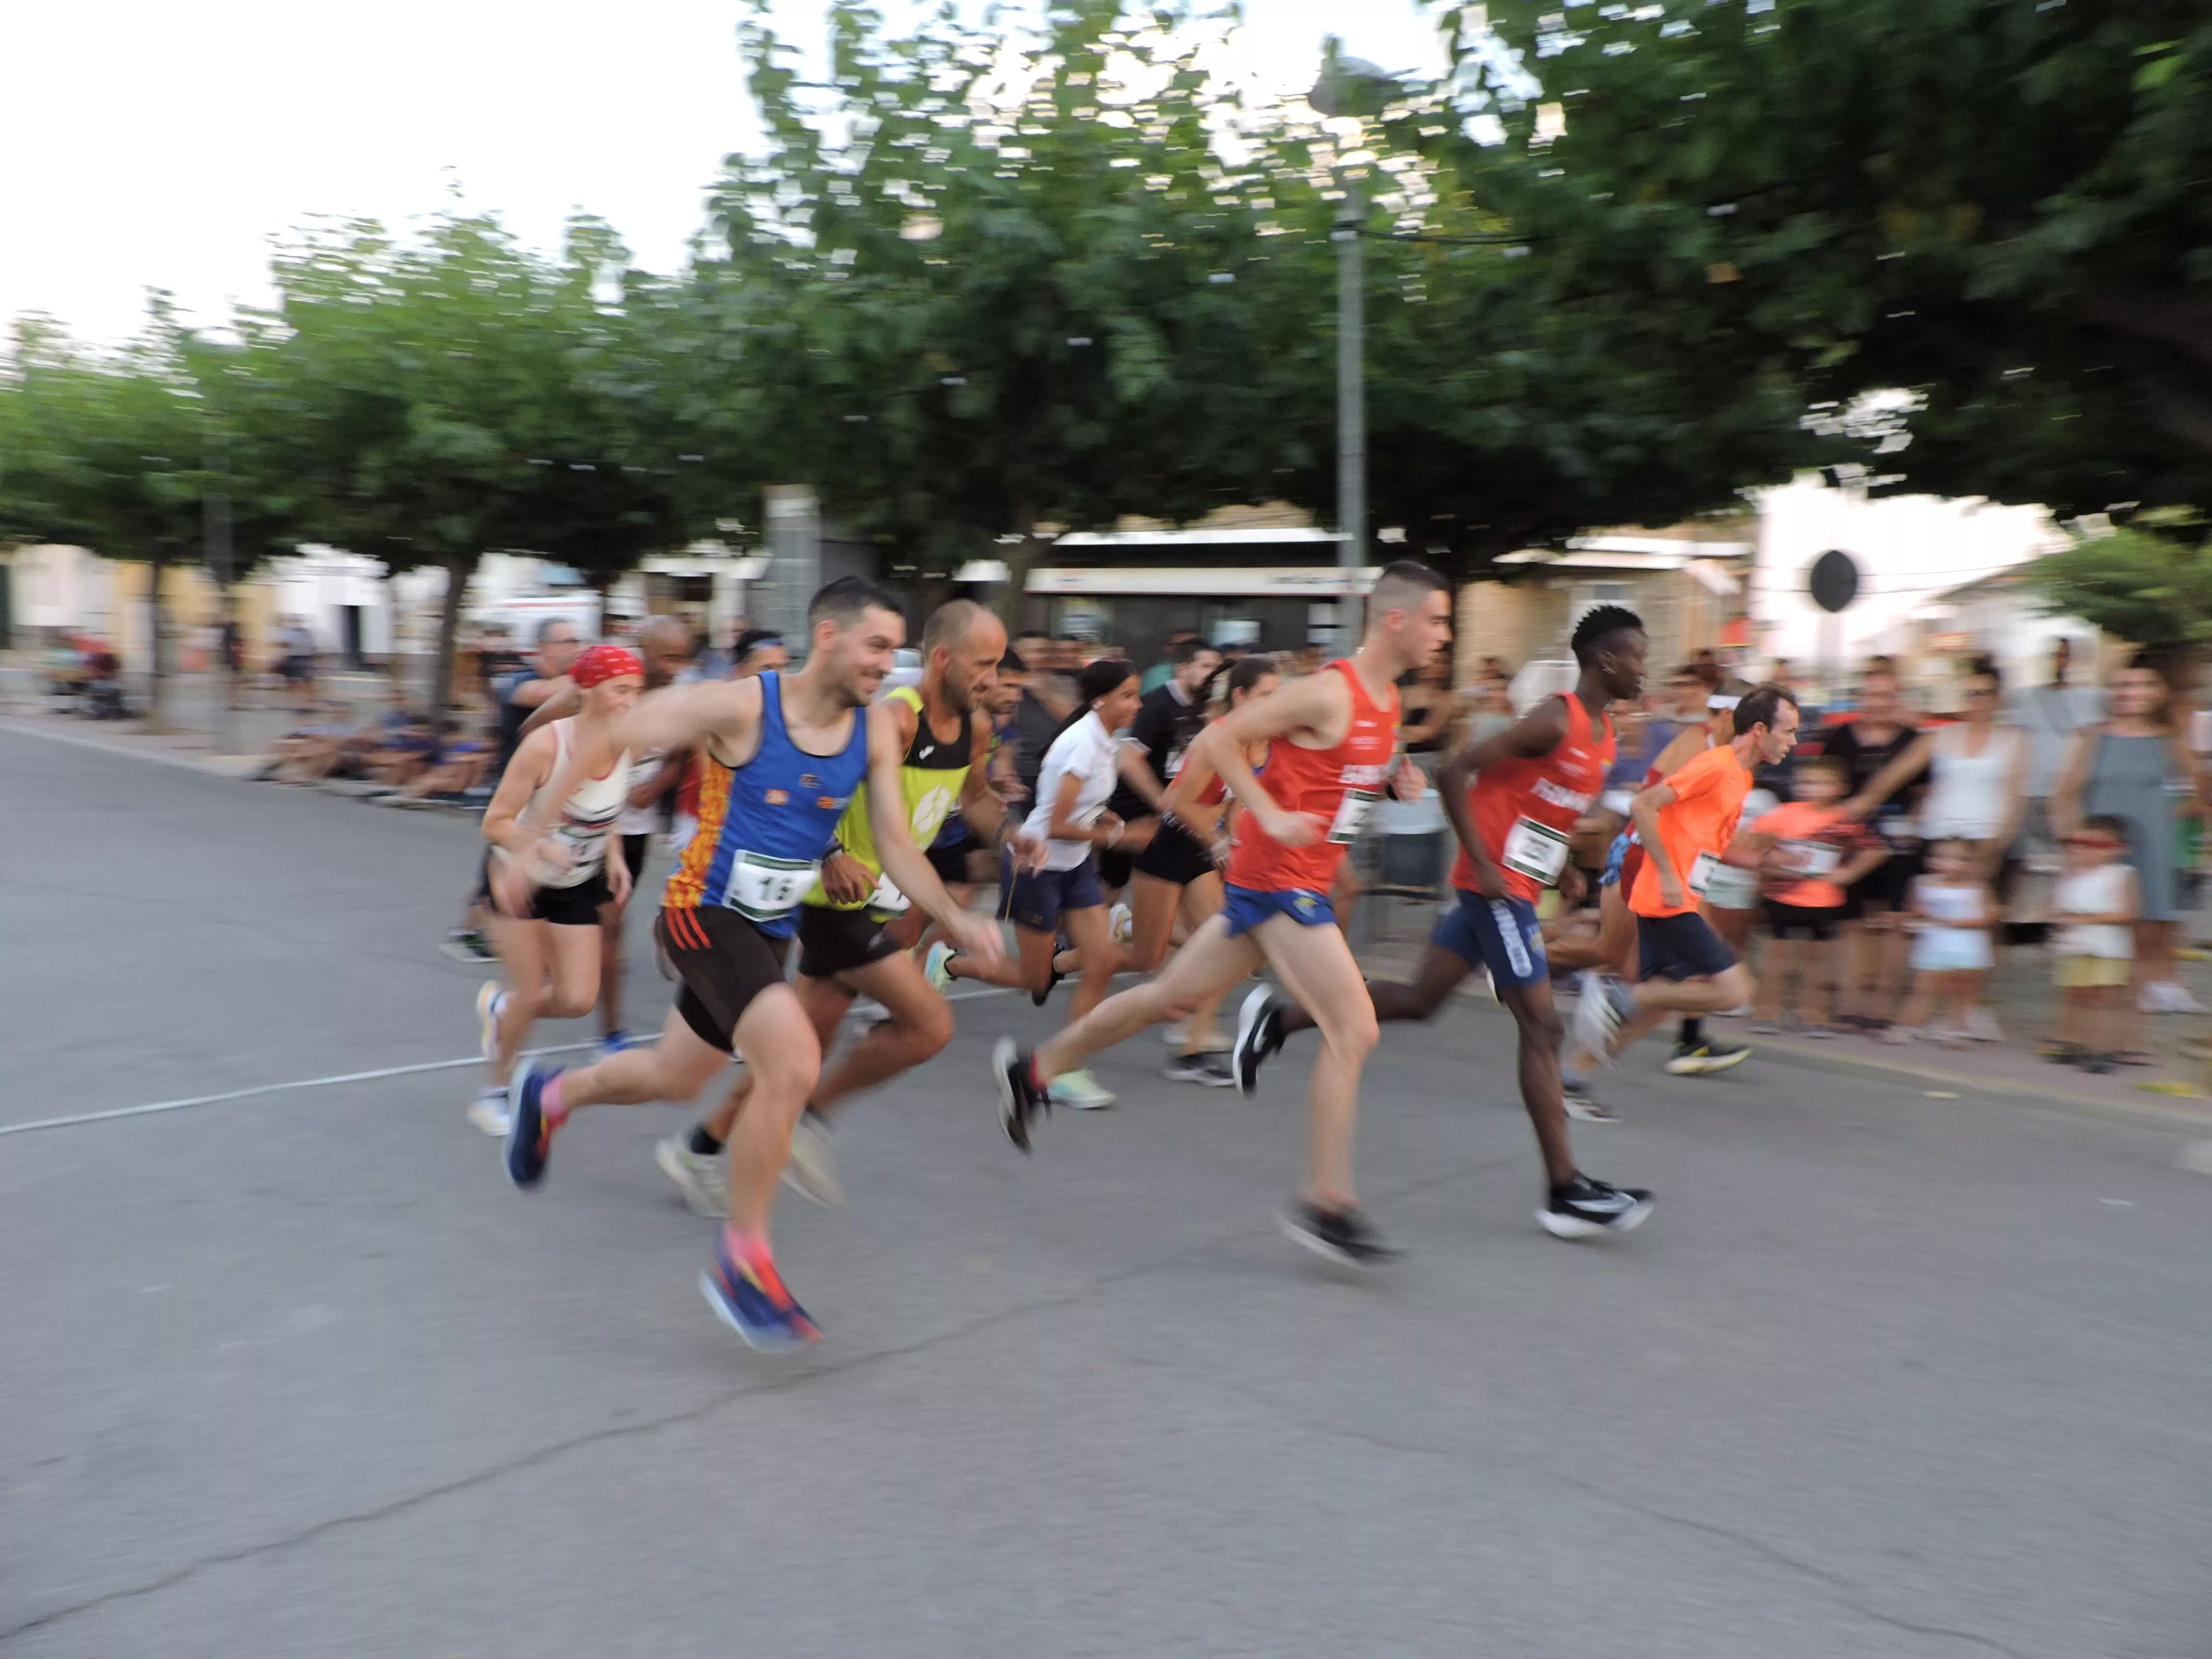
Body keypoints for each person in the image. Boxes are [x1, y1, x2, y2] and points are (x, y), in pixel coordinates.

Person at [499, 579, 1002, 1350]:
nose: (884, 665)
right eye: (875, 647)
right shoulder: (740, 706)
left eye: (892, 652)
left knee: (676, 1077)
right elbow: (607, 734)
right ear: (828, 637)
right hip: (702, 912)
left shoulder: (871, 731)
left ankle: (552, 1093)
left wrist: (956, 916)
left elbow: (899, 844)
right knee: (795, 1057)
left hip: (769, 928)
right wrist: (533, 837)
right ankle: (744, 1260)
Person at [991, 561, 1450, 1267]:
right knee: (1354, 1029)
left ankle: (1035, 1072)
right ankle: (1328, 1202)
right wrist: (1265, 811)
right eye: (1437, 620)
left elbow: (1343, 777)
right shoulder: (1329, 690)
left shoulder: (1387, 702)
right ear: (1397, 619)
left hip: (1292, 879)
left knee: (1165, 996)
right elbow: (1216, 742)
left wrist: (1395, 780)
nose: (1444, 637)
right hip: (1279, 881)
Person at [1235, 604, 1659, 1238]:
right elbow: (1460, 770)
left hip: (1513, 882)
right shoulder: (1555, 719)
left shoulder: (1601, 736)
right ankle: (1564, 1188)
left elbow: (1541, 803)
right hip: (1495, 888)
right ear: (1605, 660)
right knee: (1542, 1026)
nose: (1644, 673)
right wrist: (1484, 866)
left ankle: (1277, 1019)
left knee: (1420, 999)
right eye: (1637, 660)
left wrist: (1564, 862)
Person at [654, 601, 1029, 1215]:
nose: (996, 679)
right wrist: (831, 850)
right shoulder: (893, 720)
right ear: (943, 660)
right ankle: (807, 1127)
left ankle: (702, 1146)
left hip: (883, 902)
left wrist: (1013, 836)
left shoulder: (975, 728)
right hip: (836, 902)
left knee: (803, 1049)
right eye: (985, 665)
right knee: (928, 1026)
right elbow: (814, 786)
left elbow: (975, 797)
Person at [937, 658, 1157, 1109]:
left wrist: (1102, 815)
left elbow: (1079, 810)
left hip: (1074, 868)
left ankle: (1064, 1067)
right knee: (1033, 979)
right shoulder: (1081, 745)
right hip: (1035, 866)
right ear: (1101, 700)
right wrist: (1121, 835)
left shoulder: (1104, 740)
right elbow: (1056, 824)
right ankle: (951, 964)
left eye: (1136, 695)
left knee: (1100, 962)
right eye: (1128, 696)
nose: (1136, 704)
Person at [1568, 685, 1803, 1078]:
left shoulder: (1741, 778)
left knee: (1663, 1002)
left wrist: (1767, 862)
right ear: (1760, 730)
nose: (1794, 742)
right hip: (1667, 897)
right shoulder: (1716, 764)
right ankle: (1620, 996)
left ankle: (1572, 1077)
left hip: (1681, 896)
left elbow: (1712, 846)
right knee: (1736, 991)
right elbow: (1644, 804)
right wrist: (1664, 873)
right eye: (1789, 731)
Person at [469, 645, 644, 1135]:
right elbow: (495, 822)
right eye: (621, 690)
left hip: (575, 883)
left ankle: (503, 1011)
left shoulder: (627, 744)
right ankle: (494, 1094)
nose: (632, 702)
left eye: (638, 691)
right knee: (530, 990)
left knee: (577, 998)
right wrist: (542, 849)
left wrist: (614, 860)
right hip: (516, 879)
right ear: (588, 691)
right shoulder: (548, 745)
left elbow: (604, 809)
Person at [515, 617, 699, 1056]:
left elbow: (681, 754)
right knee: (610, 927)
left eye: (682, 658)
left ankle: (582, 1015)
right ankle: (609, 1033)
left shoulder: (683, 697)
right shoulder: (604, 680)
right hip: (580, 822)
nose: (674, 667)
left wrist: (655, 787)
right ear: (643, 649)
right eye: (666, 657)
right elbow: (533, 730)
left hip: (632, 829)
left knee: (604, 927)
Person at [1846, 656, 2026, 1038]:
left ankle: (1970, 1007)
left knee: (1977, 932)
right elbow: (1893, 775)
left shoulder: (2015, 739)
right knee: (1934, 926)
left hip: (1985, 838)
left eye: (1984, 694)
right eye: (1971, 693)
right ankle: (1930, 1007)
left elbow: (2015, 797)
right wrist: (1858, 805)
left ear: (1998, 698)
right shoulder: (1941, 737)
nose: (1976, 701)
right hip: (1939, 837)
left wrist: (1996, 846)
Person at [2053, 656, 2206, 1018]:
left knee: (2159, 914)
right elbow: (2065, 792)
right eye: (2125, 685)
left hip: (2155, 837)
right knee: (2119, 914)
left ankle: (2163, 985)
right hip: (2104, 843)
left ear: (2160, 692)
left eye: (2144, 685)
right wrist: (2075, 841)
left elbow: (2200, 791)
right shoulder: (2094, 736)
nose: (2133, 693)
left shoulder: (2171, 738)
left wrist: (2175, 814)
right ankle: (2131, 987)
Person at [442, 619, 583, 963]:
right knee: (498, 864)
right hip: (510, 792)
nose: (576, 647)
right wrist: (590, 676)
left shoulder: (571, 690)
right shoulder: (517, 680)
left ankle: (487, 931)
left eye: (578, 641)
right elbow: (536, 695)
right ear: (545, 648)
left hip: (547, 794)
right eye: (569, 641)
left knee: (522, 866)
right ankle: (473, 932)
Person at [1744, 756, 1889, 1034]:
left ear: (1841, 788)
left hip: (1824, 899)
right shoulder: (1785, 814)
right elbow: (1751, 838)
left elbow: (1876, 849)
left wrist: (1848, 874)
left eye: (1823, 783)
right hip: (1783, 897)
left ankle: (1814, 1015)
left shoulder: (1844, 820)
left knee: (1818, 962)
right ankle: (1767, 1011)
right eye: (1807, 782)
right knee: (1777, 958)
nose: (1814, 789)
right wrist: (1772, 859)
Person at [1821, 664, 1924, 1029]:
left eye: (1886, 695)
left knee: (1893, 923)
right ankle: (1850, 1003)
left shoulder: (1913, 739)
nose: (1878, 703)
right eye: (1871, 695)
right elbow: (1824, 785)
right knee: (1851, 922)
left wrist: (1914, 828)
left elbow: (1924, 793)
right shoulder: (1840, 738)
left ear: (1896, 700)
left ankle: (1881, 1005)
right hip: (1850, 837)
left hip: (1898, 839)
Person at [2047, 816, 2138, 1072]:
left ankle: (2104, 1050)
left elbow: (2127, 914)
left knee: (2103, 1001)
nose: (2081, 849)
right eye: (2077, 843)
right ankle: (2076, 1044)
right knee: (2076, 997)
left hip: (2106, 949)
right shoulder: (2070, 876)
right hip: (2075, 946)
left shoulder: (2120, 875)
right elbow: (2057, 907)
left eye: (2093, 845)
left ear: (2116, 849)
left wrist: (2084, 918)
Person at [1883, 840, 1995, 1046]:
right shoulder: (1922, 884)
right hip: (1933, 945)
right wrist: (1908, 917)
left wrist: (1960, 923)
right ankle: (1904, 1026)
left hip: (1967, 947)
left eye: (1956, 859)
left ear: (1969, 864)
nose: (1947, 864)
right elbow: (1915, 910)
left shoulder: (1977, 887)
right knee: (1923, 989)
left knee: (1961, 992)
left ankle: (1956, 1030)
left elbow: (1989, 916)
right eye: (1940, 858)